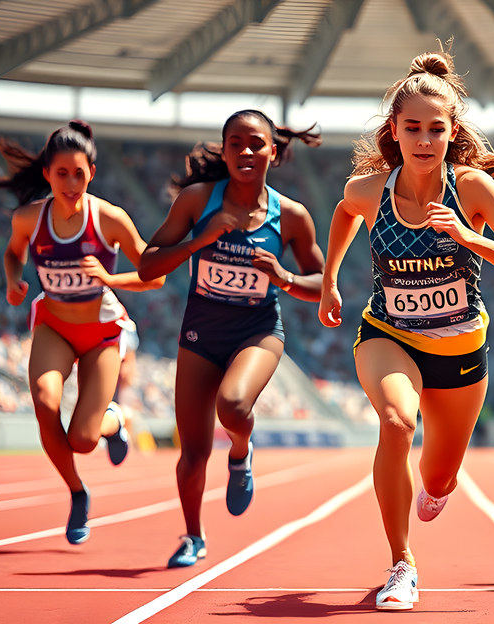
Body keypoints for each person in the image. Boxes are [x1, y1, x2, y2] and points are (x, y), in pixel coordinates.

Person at [318, 51, 494, 610]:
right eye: (412, 128)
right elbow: (345, 212)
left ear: (453, 133)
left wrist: (472, 239)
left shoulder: (472, 190)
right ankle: (402, 563)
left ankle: (438, 488)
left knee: (439, 478)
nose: (424, 139)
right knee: (396, 422)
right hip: (388, 334)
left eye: (435, 129)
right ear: (393, 132)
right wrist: (330, 279)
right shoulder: (369, 189)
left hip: (460, 350)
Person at [138, 110, 324, 568]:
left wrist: (283, 277)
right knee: (194, 451)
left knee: (235, 406)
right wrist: (200, 241)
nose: (245, 151)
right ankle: (192, 537)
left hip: (256, 331)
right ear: (224, 151)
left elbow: (324, 282)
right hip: (200, 333)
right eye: (235, 143)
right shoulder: (197, 201)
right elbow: (147, 265)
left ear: (273, 152)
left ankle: (241, 451)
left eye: (256, 143)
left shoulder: (292, 216)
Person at [0, 120, 165, 544]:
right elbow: (13, 255)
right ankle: (76, 492)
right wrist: (13, 283)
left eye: (79, 173)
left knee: (83, 440)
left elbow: (155, 276)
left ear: (92, 171)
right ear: (47, 174)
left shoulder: (109, 219)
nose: (71, 183)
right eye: (61, 174)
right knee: (43, 399)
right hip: (54, 326)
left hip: (102, 333)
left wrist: (110, 278)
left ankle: (114, 419)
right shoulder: (29, 219)